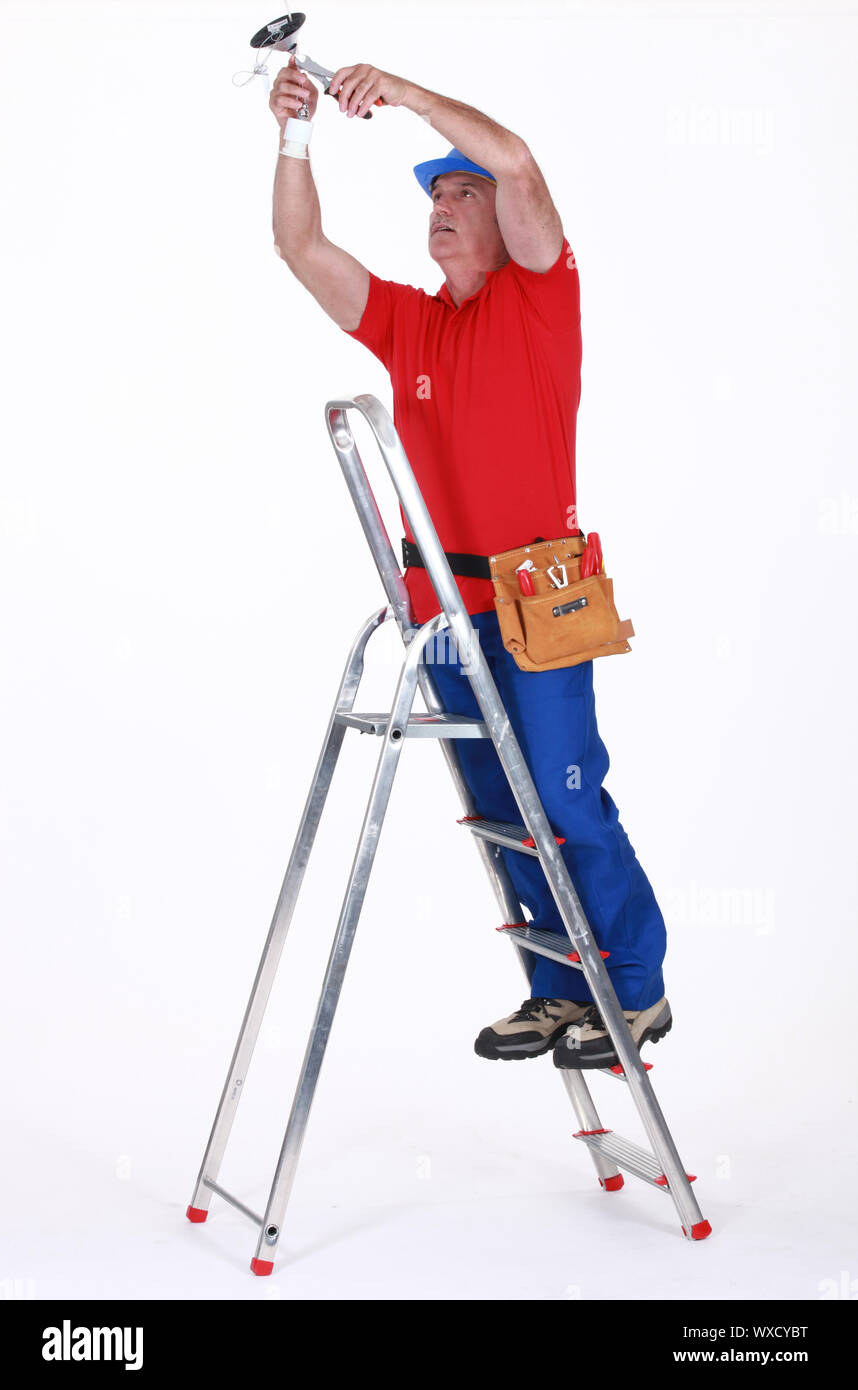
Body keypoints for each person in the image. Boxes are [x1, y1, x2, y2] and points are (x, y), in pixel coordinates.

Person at [269, 57, 672, 1071]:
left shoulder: (541, 297)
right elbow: (299, 243)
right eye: (435, 196)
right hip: (441, 606)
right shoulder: (410, 321)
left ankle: (633, 989)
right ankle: (555, 989)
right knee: (501, 809)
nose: (442, 207)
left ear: (504, 222)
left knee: (565, 793)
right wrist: (293, 136)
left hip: (536, 595)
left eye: (462, 193)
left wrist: (404, 94)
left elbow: (522, 164)